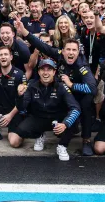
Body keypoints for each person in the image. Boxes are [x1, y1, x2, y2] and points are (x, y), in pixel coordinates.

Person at [15, 20, 97, 156]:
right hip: (60, 93)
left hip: (77, 95)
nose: (70, 53)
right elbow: (42, 45)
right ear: (63, 51)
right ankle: (41, 131)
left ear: (78, 52)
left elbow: (92, 89)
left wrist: (72, 85)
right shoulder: (59, 55)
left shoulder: (82, 65)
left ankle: (86, 140)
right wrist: (24, 32)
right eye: (68, 50)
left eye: (74, 50)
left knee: (87, 102)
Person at [9, 59, 81, 161]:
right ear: (38, 72)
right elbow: (22, 108)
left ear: (54, 72)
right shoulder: (31, 86)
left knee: (73, 121)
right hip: (39, 118)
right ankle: (40, 134)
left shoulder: (61, 86)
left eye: (49, 69)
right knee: (21, 130)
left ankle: (62, 146)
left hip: (57, 120)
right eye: (43, 69)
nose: (46, 73)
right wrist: (20, 96)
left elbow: (76, 108)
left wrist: (65, 124)